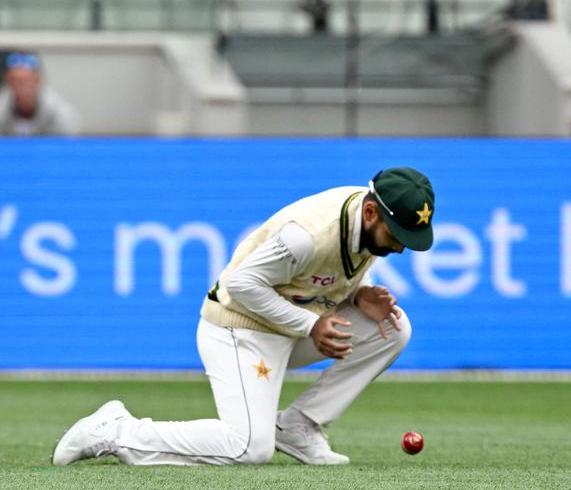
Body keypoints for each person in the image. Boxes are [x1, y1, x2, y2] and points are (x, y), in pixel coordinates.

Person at [51, 167, 437, 467]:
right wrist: (312, 325)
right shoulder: (309, 234)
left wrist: (357, 293)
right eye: (397, 235)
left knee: (393, 328)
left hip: (290, 324)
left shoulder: (367, 219)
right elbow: (241, 284)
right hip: (238, 330)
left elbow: (333, 269)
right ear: (371, 212)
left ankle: (298, 426)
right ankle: (117, 431)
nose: (402, 247)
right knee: (248, 448)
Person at [0, 50, 79, 137]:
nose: (21, 87)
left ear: (38, 80)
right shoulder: (2, 108)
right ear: (8, 81)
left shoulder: (60, 113)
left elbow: (66, 146)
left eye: (27, 80)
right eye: (16, 80)